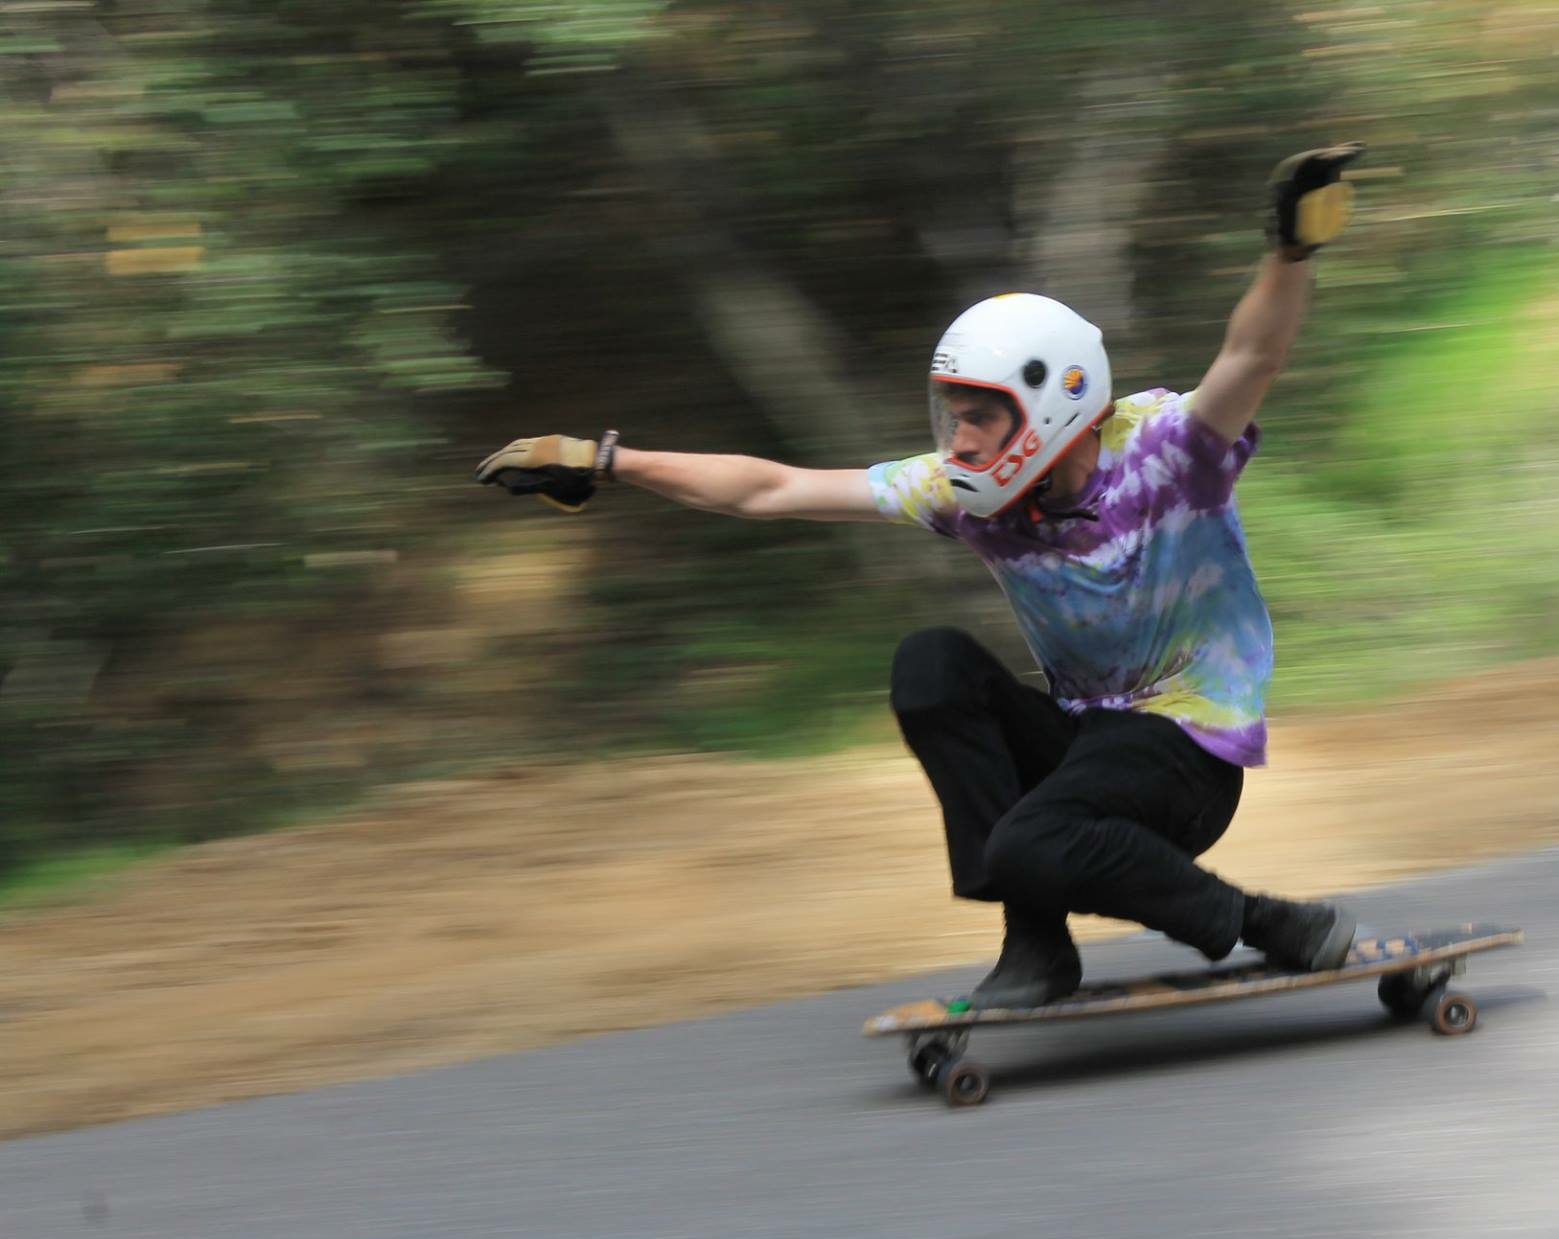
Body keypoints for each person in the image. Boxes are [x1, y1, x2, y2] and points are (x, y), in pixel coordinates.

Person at [476, 144, 1365, 1008]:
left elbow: (1252, 358)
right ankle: (1038, 941)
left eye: (984, 417)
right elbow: (771, 488)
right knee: (933, 664)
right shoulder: (968, 493)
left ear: (1057, 402)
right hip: (1088, 742)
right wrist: (606, 460)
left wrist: (1290, 251)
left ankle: (1266, 920)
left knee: (1031, 837)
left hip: (1188, 753)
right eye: (954, 415)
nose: (960, 440)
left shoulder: (1170, 455)